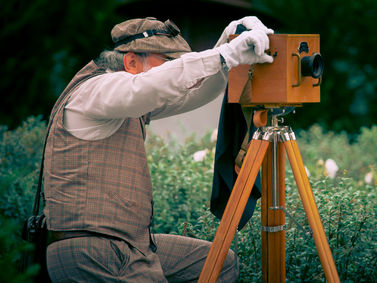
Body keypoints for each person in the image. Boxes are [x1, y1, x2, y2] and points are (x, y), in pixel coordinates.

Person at [43, 16, 274, 282]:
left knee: (219, 263)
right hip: (92, 252)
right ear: (130, 62)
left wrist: (228, 39)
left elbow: (193, 91)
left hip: (129, 245)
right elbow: (152, 85)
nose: (174, 70)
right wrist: (223, 55)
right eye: (167, 62)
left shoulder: (129, 98)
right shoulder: (96, 89)